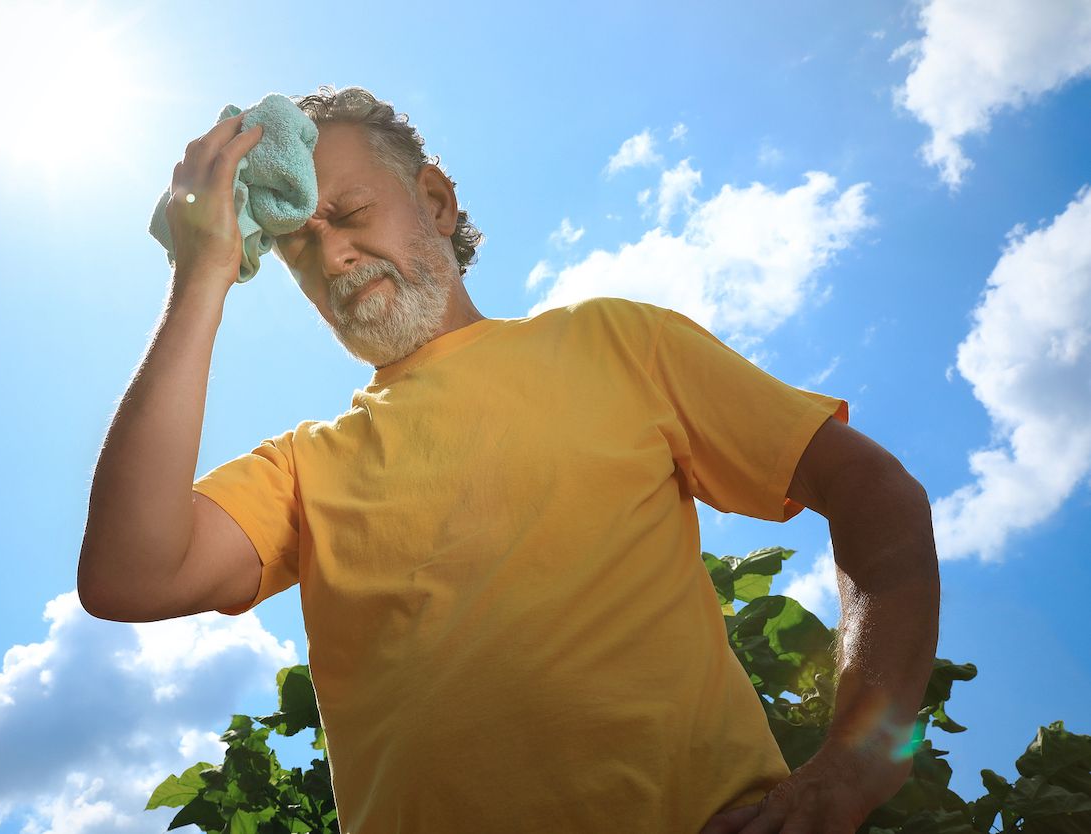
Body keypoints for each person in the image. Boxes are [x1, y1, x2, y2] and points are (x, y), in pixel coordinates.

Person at [77, 85, 940, 834]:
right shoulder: (305, 467)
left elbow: (872, 493)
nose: (333, 254)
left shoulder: (614, 341)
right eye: (300, 243)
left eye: (350, 214)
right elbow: (131, 576)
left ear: (436, 202)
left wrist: (859, 761)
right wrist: (201, 275)